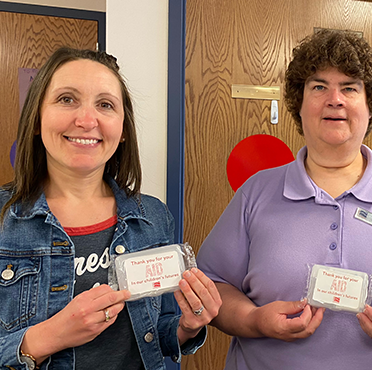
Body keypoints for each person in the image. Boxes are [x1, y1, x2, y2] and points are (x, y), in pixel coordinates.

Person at [196, 29, 372, 369]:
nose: (335, 99)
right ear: (298, 105)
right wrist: (254, 321)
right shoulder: (256, 193)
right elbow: (212, 287)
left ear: (370, 106)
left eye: (349, 87)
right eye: (318, 87)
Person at [0, 47, 221, 370]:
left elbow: (159, 331)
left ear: (122, 132)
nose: (87, 120)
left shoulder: (153, 218)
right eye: (66, 99)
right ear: (36, 119)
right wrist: (49, 336)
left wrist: (188, 327)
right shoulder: (6, 220)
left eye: (105, 105)